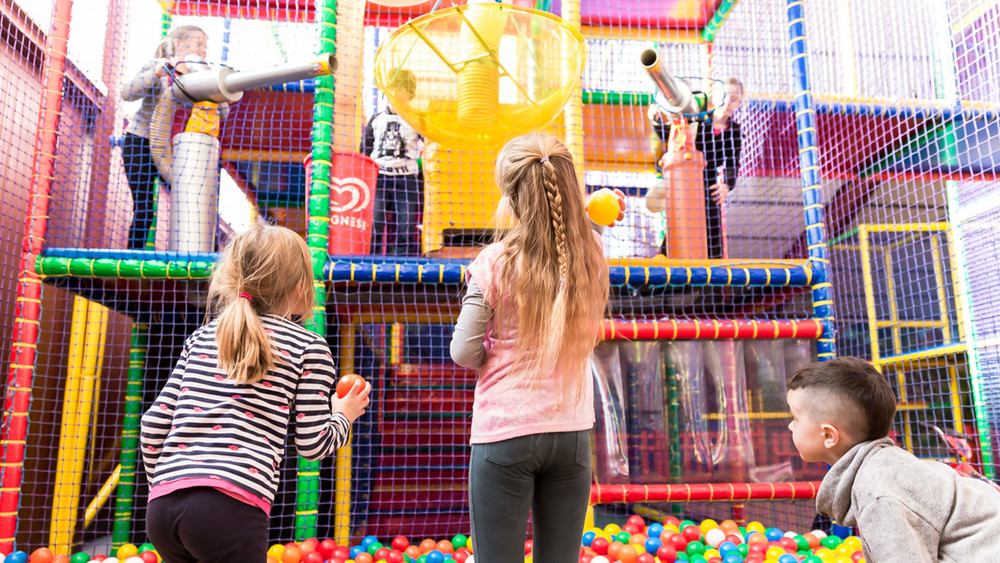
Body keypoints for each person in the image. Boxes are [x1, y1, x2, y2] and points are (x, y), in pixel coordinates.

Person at [140, 224, 371, 562]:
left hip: (162, 509)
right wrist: (343, 413)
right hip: (229, 507)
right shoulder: (308, 346)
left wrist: (166, 486)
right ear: (300, 287)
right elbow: (314, 445)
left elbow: (152, 425)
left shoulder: (204, 337)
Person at [449, 133, 623, 563]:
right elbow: (583, 230)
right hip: (571, 434)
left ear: (511, 195)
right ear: (568, 187)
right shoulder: (592, 254)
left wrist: (497, 355)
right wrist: (599, 207)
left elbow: (463, 351)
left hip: (505, 432)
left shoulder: (495, 261)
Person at [786, 356, 1000, 561]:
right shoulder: (881, 469)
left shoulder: (878, 492)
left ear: (828, 435)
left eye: (795, 418)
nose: (790, 425)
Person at [121, 25, 224, 250]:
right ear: (178, 44)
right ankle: (131, 259)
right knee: (145, 208)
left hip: (175, 149)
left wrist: (214, 85)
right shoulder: (158, 67)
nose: (203, 51)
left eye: (205, 47)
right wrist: (155, 74)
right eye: (199, 44)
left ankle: (210, 256)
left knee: (197, 198)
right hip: (141, 142)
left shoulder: (200, 75)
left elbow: (223, 110)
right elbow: (127, 92)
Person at [646, 77, 744, 259]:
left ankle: (710, 280)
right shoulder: (699, 119)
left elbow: (732, 162)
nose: (730, 102)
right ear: (715, 96)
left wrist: (727, 185)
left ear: (739, 103)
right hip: (686, 180)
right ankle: (663, 273)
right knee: (680, 226)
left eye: (735, 99)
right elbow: (672, 135)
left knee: (712, 235)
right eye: (726, 96)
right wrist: (657, 120)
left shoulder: (735, 132)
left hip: (708, 183)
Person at [360, 68, 425, 256]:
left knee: (405, 224)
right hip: (379, 179)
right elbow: (365, 149)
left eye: (403, 89)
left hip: (406, 180)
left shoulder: (415, 119)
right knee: (375, 222)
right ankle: (371, 260)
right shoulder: (377, 119)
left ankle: (403, 263)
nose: (397, 94)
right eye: (394, 89)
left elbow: (429, 147)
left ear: (410, 93)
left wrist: (420, 164)